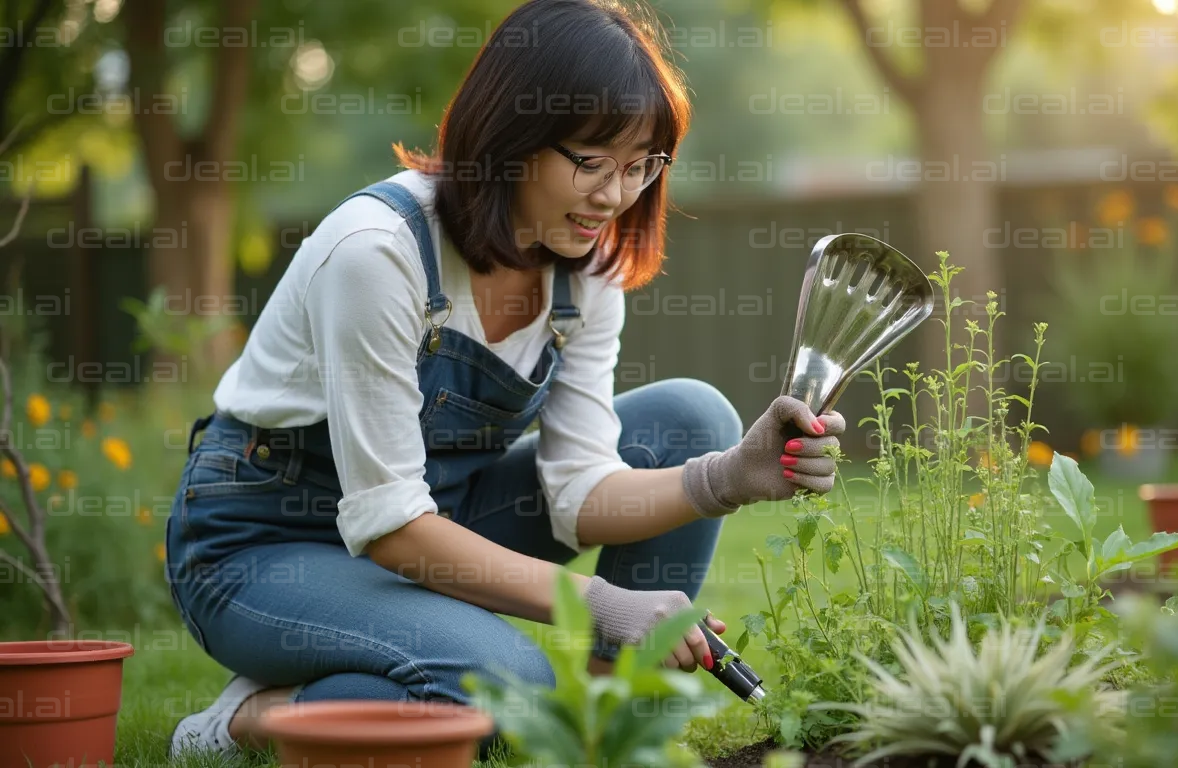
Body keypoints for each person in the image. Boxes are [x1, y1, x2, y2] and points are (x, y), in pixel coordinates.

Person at [164, 0, 845, 758]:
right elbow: (389, 526)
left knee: (691, 421)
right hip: (265, 546)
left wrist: (729, 476)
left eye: (639, 166)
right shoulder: (378, 254)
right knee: (507, 684)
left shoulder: (584, 272)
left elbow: (579, 492)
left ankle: (606, 734)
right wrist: (601, 604)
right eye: (590, 161)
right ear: (510, 138)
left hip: (439, 520)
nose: (614, 196)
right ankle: (245, 722)